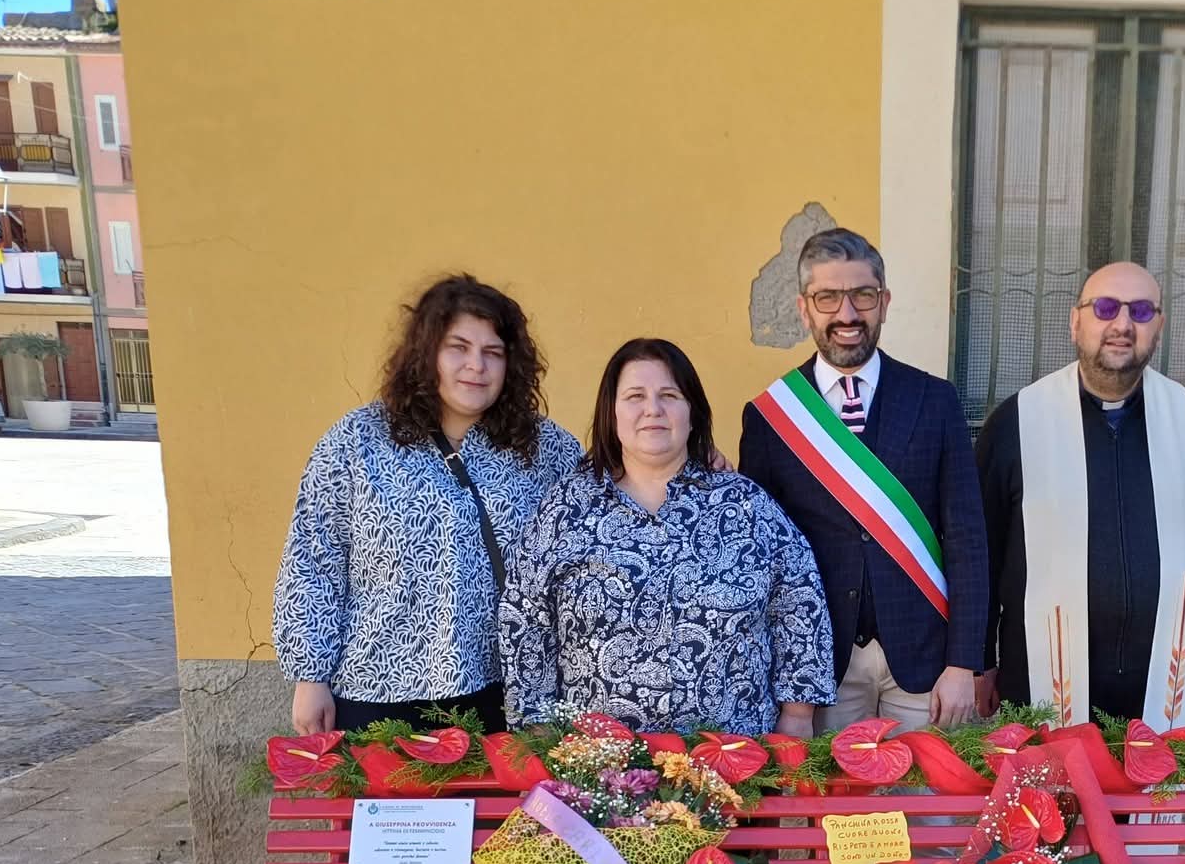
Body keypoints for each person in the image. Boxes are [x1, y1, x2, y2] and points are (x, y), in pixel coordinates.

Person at [274, 273, 581, 734]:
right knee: (384, 808)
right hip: (378, 688)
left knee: (497, 811)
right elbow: (315, 558)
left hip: (504, 691)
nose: (476, 365)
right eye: (458, 347)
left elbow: (608, 507)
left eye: (492, 352)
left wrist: (700, 466)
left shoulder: (545, 449)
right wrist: (310, 674)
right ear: (427, 353)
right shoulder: (358, 441)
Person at [501, 337, 835, 736]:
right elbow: (524, 616)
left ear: (692, 412)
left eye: (669, 395)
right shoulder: (566, 509)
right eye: (635, 396)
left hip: (734, 764)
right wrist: (538, 733)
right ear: (612, 412)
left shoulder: (744, 505)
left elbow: (800, 601)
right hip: (597, 770)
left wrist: (797, 716)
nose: (652, 410)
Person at [738, 228, 988, 735]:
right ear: (804, 308)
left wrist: (966, 663)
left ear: (885, 302)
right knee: (832, 811)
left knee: (931, 813)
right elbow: (758, 554)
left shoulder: (934, 400)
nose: (847, 314)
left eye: (863, 295)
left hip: (927, 660)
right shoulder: (771, 416)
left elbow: (967, 539)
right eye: (828, 297)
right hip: (822, 666)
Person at [976, 261, 1185, 727]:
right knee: (1052, 800)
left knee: (1149, 797)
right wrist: (979, 658)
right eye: (1105, 308)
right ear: (1076, 322)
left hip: (1161, 674)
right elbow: (983, 554)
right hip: (1039, 672)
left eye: (1140, 311)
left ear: (1159, 325)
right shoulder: (1018, 421)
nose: (1121, 324)